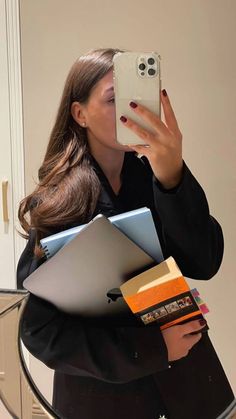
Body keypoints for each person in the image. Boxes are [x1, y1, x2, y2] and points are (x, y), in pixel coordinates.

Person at [17, 48, 234, 419]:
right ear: (79, 113)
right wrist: (151, 349)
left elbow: (205, 260)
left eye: (139, 96)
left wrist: (172, 176)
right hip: (104, 400)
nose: (130, 108)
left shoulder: (158, 175)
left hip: (192, 387)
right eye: (114, 98)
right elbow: (38, 329)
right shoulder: (58, 202)